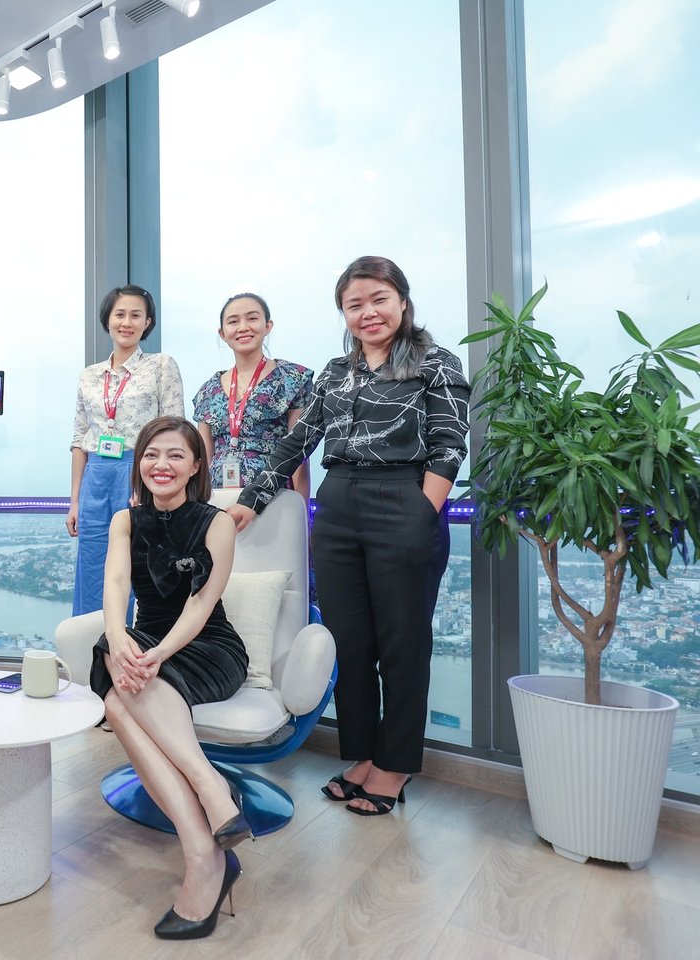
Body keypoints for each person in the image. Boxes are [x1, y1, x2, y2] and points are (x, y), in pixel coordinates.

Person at [226, 256, 470, 817]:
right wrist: (251, 500)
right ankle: (363, 755)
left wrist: (421, 511)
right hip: (338, 506)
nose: (368, 313)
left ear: (402, 301)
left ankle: (396, 764)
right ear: (344, 313)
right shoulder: (336, 372)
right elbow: (298, 442)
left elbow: (450, 443)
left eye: (379, 299)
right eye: (354, 304)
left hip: (405, 499)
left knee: (402, 645)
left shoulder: (435, 362)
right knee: (349, 644)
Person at [92, 416, 249, 941]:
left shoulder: (217, 521)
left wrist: (157, 653)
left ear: (197, 465)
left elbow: (202, 604)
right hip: (147, 642)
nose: (162, 464)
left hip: (206, 645)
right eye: (151, 454)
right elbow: (116, 583)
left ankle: (207, 814)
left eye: (176, 455)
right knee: (114, 674)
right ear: (139, 463)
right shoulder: (125, 520)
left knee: (118, 699)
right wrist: (119, 636)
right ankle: (206, 838)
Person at [68, 284, 185, 616]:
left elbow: (174, 429)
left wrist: (154, 483)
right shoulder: (89, 376)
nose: (126, 322)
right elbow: (79, 439)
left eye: (136, 315)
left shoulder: (161, 365)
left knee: (138, 559)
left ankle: (135, 641)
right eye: (119, 314)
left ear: (147, 322)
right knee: (92, 561)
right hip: (96, 474)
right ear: (108, 319)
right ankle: (90, 640)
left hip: (140, 471)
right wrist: (75, 500)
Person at [192, 293, 313, 496]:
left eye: (252, 318)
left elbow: (299, 455)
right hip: (217, 498)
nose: (243, 327)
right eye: (233, 321)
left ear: (268, 326)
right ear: (222, 333)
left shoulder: (292, 379)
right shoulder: (208, 390)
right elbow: (204, 458)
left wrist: (301, 507)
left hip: (274, 496)